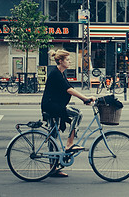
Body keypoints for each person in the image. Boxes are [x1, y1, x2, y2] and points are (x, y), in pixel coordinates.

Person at [41, 49, 95, 177]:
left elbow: (69, 87)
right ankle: (69, 145)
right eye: (67, 60)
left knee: (53, 135)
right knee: (77, 114)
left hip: (56, 105)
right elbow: (69, 90)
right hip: (51, 106)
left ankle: (53, 167)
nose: (70, 62)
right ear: (60, 61)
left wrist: (86, 97)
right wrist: (84, 99)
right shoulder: (55, 73)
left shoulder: (61, 73)